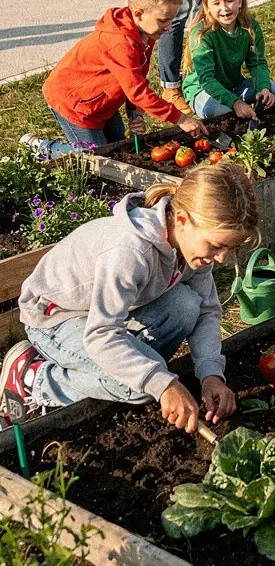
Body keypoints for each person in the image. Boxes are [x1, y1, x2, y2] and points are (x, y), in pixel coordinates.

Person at [0, 163, 259, 434]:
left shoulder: (192, 245)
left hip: (101, 314)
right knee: (133, 385)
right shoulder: (131, 252)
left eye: (230, 248)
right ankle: (33, 378)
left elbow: (207, 310)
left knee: (187, 305)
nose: (221, 258)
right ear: (181, 220)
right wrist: (163, 384)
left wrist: (211, 374)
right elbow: (102, 335)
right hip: (55, 318)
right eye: (217, 246)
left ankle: (115, 369)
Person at [37, 0, 206, 153]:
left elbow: (137, 77)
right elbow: (138, 91)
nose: (169, 27)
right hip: (74, 105)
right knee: (98, 161)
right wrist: (180, 119)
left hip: (100, 100)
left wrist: (136, 113)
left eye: (172, 19)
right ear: (139, 14)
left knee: (122, 151)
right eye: (164, 20)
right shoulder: (120, 43)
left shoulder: (144, 33)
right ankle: (44, 149)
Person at [181, 0, 275, 121]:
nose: (224, 8)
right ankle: (235, 106)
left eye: (229, 1)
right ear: (207, 7)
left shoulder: (249, 26)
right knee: (219, 111)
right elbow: (206, 79)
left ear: (240, 0)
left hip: (234, 85)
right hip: (202, 90)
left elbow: (257, 63)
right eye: (216, 3)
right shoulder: (202, 34)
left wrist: (263, 88)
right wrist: (235, 103)